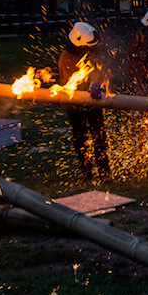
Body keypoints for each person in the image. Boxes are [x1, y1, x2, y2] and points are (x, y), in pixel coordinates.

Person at [59, 22, 112, 183]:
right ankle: (86, 171)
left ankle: (105, 172)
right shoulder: (66, 57)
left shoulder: (91, 52)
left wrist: (96, 82)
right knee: (80, 138)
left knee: (99, 137)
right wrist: (79, 97)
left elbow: (100, 69)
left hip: (93, 102)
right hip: (74, 105)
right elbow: (68, 83)